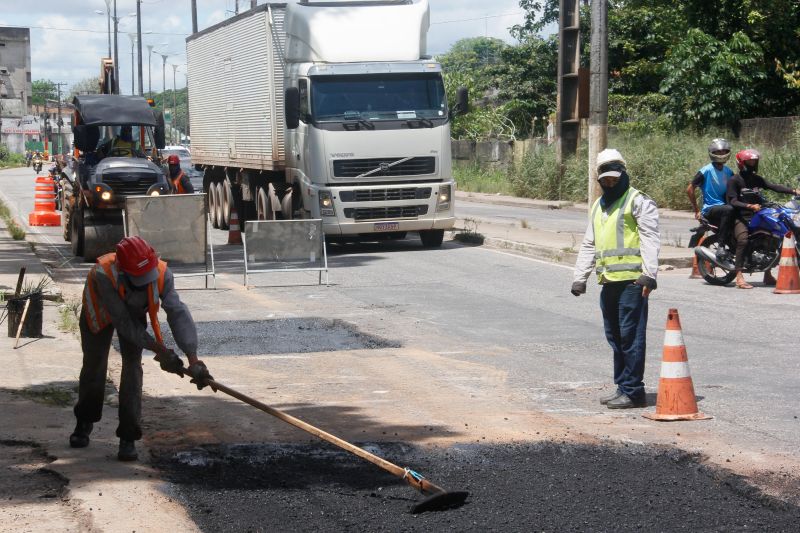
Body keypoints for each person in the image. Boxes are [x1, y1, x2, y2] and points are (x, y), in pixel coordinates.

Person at [70, 236, 213, 461]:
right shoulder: (104, 275)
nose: (146, 281)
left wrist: (193, 359)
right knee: (95, 365)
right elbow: (124, 323)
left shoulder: (163, 273)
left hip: (133, 312)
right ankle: (84, 420)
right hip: (99, 311)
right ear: (123, 271)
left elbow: (177, 312)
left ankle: (128, 436)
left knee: (133, 369)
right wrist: (161, 350)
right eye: (139, 278)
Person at [571, 149, 660, 409]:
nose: (610, 183)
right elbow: (589, 243)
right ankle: (622, 386)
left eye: (614, 178)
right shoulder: (598, 206)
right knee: (615, 337)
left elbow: (650, 239)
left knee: (631, 337)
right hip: (608, 281)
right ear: (599, 180)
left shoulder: (638, 201)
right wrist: (580, 277)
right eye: (605, 180)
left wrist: (649, 275)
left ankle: (634, 391)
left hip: (633, 282)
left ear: (623, 174)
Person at [726, 149, 800, 289]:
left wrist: (794, 191)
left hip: (758, 213)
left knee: (773, 237)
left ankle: (767, 274)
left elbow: (773, 187)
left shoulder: (756, 179)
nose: (753, 163)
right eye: (750, 161)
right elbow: (732, 201)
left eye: (754, 161)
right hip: (740, 216)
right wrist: (749, 205)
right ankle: (739, 276)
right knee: (743, 240)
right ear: (742, 163)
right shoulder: (734, 180)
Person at [687, 138, 735, 260]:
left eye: (724, 152)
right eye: (719, 152)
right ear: (712, 153)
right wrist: (697, 210)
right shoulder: (706, 170)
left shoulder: (728, 171)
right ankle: (721, 246)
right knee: (728, 209)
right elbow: (690, 189)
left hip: (724, 207)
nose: (722, 155)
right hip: (710, 208)